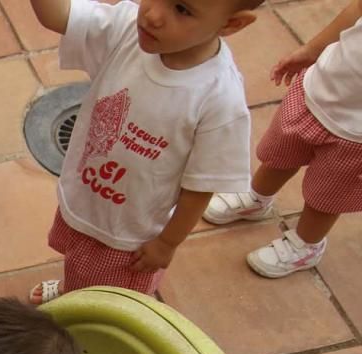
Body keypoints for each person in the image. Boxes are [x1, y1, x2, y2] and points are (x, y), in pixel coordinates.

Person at [27, 0, 259, 304]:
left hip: (131, 233)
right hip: (87, 197)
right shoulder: (126, 28)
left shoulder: (219, 100)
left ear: (231, 25)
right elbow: (58, 15)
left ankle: (86, 316)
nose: (152, 14)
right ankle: (73, 289)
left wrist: (167, 242)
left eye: (182, 9)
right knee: (82, 265)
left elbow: (201, 187)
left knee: (112, 298)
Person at [203, 0, 362, 277]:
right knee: (280, 155)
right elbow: (356, 10)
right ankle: (257, 198)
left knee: (325, 198)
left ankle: (306, 245)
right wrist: (311, 51)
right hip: (318, 89)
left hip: (355, 137)